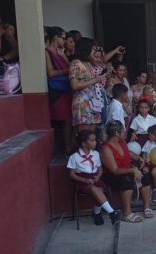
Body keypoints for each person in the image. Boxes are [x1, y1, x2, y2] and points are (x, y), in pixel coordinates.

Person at [101, 120, 152, 223]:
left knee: (145, 176)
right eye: (123, 131)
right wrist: (133, 170)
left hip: (128, 170)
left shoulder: (122, 141)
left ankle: (147, 206)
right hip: (114, 175)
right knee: (126, 180)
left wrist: (138, 158)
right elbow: (114, 170)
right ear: (117, 133)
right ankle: (126, 213)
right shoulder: (106, 148)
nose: (125, 132)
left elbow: (128, 152)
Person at [67, 130, 120, 225]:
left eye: (95, 140)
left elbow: (100, 169)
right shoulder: (74, 157)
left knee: (99, 190)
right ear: (83, 143)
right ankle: (112, 212)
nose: (95, 142)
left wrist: (98, 176)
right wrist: (85, 180)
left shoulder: (95, 154)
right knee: (93, 188)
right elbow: (72, 174)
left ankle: (97, 213)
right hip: (82, 180)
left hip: (95, 177)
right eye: (92, 140)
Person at [70, 38, 109, 133]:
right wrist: (96, 80)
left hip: (93, 102)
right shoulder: (76, 63)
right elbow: (74, 85)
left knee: (92, 134)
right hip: (82, 102)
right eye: (93, 49)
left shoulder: (88, 63)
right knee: (84, 135)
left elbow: (102, 60)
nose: (94, 52)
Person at [45, 26, 72, 155]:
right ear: (55, 37)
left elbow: (70, 68)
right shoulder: (47, 52)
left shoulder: (60, 53)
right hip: (58, 91)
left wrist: (64, 57)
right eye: (63, 38)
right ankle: (66, 148)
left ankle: (68, 146)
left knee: (68, 120)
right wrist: (66, 71)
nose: (64, 41)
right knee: (64, 120)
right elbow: (50, 73)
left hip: (66, 90)